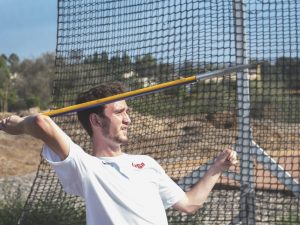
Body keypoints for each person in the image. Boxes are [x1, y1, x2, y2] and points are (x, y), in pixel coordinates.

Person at [0, 82, 237, 225]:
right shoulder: (86, 167)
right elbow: (41, 122)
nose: (128, 119)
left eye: (127, 112)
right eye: (120, 112)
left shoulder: (146, 163)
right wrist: (20, 124)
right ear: (95, 120)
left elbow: (189, 204)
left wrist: (216, 169)